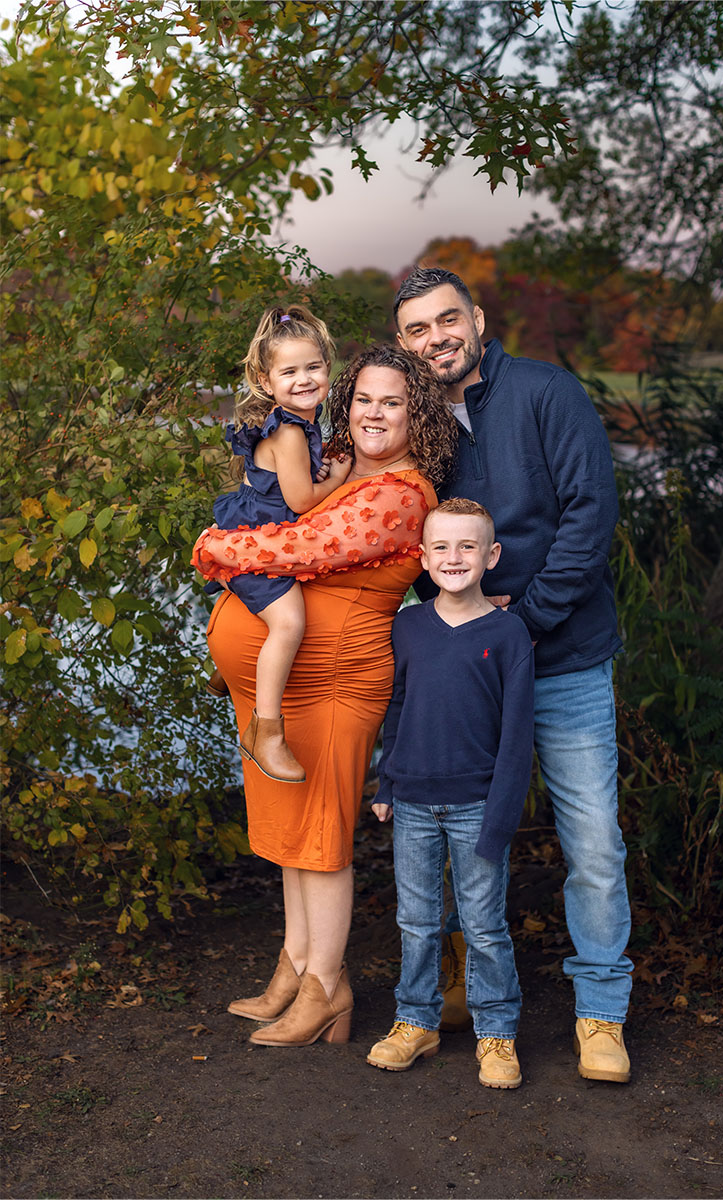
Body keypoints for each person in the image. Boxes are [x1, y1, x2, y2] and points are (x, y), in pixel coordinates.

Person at [393, 266, 633, 1085]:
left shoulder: (546, 394)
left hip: (561, 657)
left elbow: (588, 517)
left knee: (592, 841)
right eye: (417, 330)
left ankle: (601, 1014)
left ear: (478, 319)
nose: (436, 338)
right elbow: (407, 545)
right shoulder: (417, 432)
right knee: (462, 829)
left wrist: (515, 628)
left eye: (447, 320)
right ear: (403, 345)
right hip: (467, 675)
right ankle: (458, 987)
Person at [192, 343, 458, 1048]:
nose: (374, 413)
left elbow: (303, 548)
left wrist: (214, 547)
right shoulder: (332, 461)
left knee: (322, 838)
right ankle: (295, 964)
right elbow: (278, 505)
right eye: (364, 398)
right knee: (290, 835)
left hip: (336, 682)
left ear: (417, 415)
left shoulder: (403, 495)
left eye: (392, 402)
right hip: (282, 690)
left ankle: (327, 985)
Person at [367, 499, 535, 1089]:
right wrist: (386, 782)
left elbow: (517, 737)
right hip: (412, 801)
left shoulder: (509, 633)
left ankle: (497, 1031)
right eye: (440, 547)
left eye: (468, 547)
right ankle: (416, 1021)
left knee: (484, 925)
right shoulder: (407, 626)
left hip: (476, 806)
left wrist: (500, 819)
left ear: (491, 556)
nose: (453, 557)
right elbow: (398, 708)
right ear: (422, 557)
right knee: (416, 921)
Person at [203, 304, 352, 784]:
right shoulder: (288, 429)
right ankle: (265, 732)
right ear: (266, 382)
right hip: (259, 543)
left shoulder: (297, 421)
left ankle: (229, 671)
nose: (304, 379)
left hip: (267, 534)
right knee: (289, 623)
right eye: (289, 371)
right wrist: (340, 480)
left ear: (328, 369)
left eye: (313, 367)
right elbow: (302, 499)